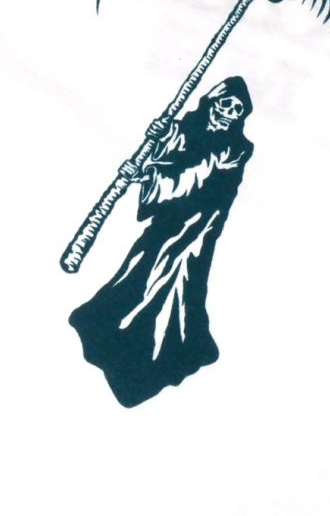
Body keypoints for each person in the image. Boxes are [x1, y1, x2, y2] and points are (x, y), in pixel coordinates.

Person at [69, 77, 254, 408]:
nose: (229, 113)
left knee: (169, 280)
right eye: (226, 103)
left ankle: (151, 359)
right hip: (169, 220)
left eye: (238, 110)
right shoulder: (187, 127)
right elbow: (174, 149)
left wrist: (151, 177)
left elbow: (198, 171)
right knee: (140, 268)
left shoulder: (236, 147)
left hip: (197, 226)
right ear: (213, 101)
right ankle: (108, 327)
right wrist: (162, 137)